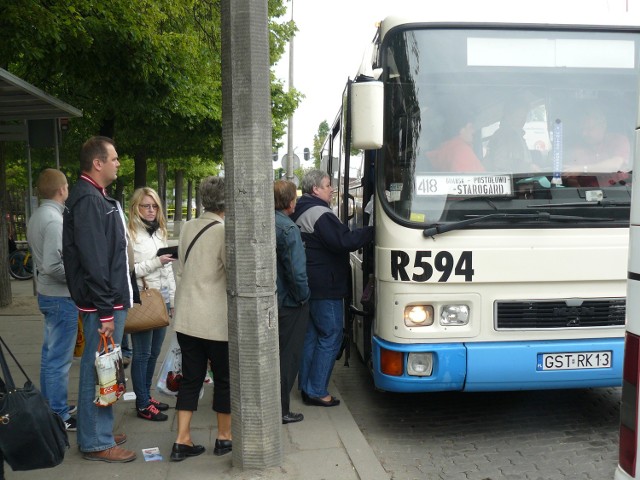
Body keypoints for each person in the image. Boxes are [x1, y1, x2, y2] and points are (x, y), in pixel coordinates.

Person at [62, 136, 136, 463]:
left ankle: (99, 431)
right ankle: (95, 441)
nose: (119, 163)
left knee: (105, 369)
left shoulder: (93, 196)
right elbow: (95, 260)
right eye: (115, 158)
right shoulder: (89, 199)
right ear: (98, 163)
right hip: (102, 304)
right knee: (101, 370)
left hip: (105, 301)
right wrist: (106, 309)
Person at [291, 170, 374, 407]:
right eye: (328, 185)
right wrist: (371, 230)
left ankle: (306, 387)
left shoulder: (301, 209)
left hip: (310, 283)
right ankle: (317, 390)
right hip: (326, 285)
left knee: (312, 336)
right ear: (316, 189)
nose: (331, 189)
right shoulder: (320, 214)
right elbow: (343, 241)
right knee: (331, 335)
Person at [170, 176, 231, 461]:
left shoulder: (188, 227)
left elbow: (182, 267)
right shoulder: (224, 231)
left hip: (187, 317)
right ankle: (224, 437)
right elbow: (231, 273)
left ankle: (182, 439)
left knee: (191, 378)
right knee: (224, 378)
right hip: (215, 320)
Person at [26, 168, 78, 432]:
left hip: (47, 294)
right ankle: (58, 413)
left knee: (50, 355)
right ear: (62, 190)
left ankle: (51, 406)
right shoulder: (54, 220)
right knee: (59, 359)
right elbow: (53, 265)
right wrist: (78, 278)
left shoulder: (38, 216)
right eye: (67, 186)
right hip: (60, 298)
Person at [127, 187, 176, 421]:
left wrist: (173, 300)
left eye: (154, 206)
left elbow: (168, 271)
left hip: (161, 298)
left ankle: (146, 395)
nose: (150, 210)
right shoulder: (130, 234)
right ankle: (143, 403)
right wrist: (156, 261)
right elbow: (129, 270)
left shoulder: (159, 232)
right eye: (146, 206)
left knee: (154, 352)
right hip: (142, 298)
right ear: (135, 207)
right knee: (142, 354)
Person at [274, 180, 310, 424]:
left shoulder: (265, 222)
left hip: (271, 300)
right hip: (289, 303)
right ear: (289, 201)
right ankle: (281, 409)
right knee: (288, 357)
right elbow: (296, 272)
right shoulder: (288, 228)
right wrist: (303, 297)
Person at [566, 106, 630, 174]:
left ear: (603, 126)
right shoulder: (575, 147)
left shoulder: (618, 141)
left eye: (589, 129)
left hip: (618, 184)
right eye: (582, 129)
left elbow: (615, 165)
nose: (584, 133)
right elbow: (570, 172)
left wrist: (583, 168)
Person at [484, 100, 535, 173]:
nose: (523, 121)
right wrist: (528, 167)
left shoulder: (515, 134)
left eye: (524, 117)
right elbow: (500, 165)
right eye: (519, 117)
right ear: (508, 116)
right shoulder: (504, 136)